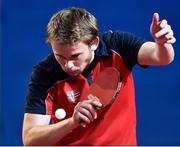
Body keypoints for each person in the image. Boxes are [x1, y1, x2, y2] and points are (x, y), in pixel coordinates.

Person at [22, 7, 175, 146]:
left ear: (94, 43)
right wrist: (72, 122)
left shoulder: (117, 46)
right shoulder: (45, 73)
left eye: (75, 56)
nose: (68, 65)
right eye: (60, 56)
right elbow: (30, 140)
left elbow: (161, 57)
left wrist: (162, 44)